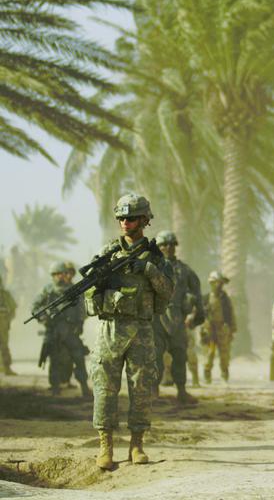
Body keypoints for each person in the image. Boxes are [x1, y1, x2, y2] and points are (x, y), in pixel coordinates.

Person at [86, 193, 174, 470]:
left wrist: (147, 269)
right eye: (121, 218)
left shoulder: (156, 258)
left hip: (142, 330)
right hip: (111, 329)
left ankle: (136, 444)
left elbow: (168, 292)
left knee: (142, 388)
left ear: (145, 220)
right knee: (104, 388)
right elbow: (89, 294)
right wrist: (105, 292)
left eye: (131, 217)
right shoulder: (106, 254)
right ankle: (106, 446)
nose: (125, 222)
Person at [152, 231, 204, 405]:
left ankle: (181, 391)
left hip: (176, 318)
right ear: (158, 247)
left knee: (180, 355)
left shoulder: (184, 270)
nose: (168, 248)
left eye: (172, 244)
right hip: (155, 318)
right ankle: (154, 392)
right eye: (164, 245)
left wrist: (198, 315)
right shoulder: (150, 267)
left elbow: (196, 293)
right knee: (155, 357)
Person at [33, 262, 90, 397]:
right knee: (55, 359)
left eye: (63, 274)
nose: (61, 277)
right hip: (54, 330)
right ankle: (55, 387)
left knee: (78, 357)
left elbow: (82, 308)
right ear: (53, 276)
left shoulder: (74, 289)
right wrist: (44, 317)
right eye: (57, 274)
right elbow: (35, 306)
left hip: (71, 331)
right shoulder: (47, 290)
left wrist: (80, 322)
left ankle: (84, 386)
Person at [203, 271, 235, 384]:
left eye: (221, 283)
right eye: (217, 283)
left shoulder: (225, 299)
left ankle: (224, 375)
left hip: (222, 329)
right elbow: (200, 315)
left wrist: (232, 329)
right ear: (212, 283)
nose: (219, 285)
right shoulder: (206, 299)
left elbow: (231, 314)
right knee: (210, 354)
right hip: (210, 330)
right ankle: (207, 375)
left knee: (224, 354)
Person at [0, 273, 17, 375]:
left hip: (3, 323)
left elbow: (12, 309)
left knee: (4, 345)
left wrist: (8, 320)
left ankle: (6, 368)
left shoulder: (5, 295)